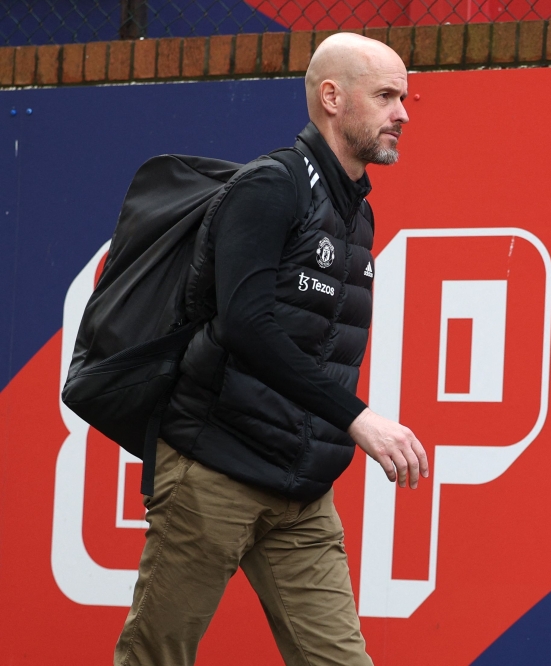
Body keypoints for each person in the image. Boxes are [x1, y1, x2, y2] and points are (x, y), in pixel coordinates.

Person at [114, 33, 427, 666]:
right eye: (388, 96)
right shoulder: (270, 187)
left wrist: (329, 432)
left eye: (405, 97)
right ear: (331, 98)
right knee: (156, 657)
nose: (404, 113)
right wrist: (356, 417)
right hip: (214, 469)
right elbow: (247, 326)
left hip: (302, 488)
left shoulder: (358, 214)